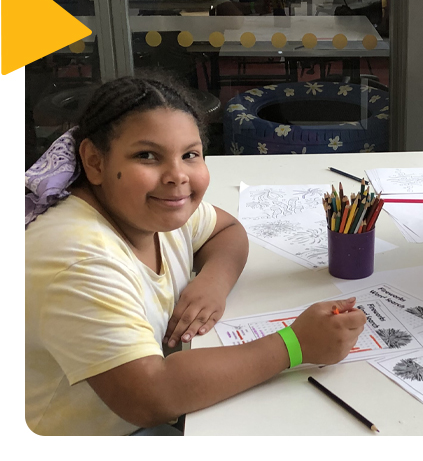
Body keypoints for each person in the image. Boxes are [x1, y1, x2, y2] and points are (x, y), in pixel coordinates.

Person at [25, 75, 367, 435]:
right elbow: (149, 395)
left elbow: (227, 229)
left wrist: (213, 281)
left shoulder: (150, 208)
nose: (177, 176)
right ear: (95, 163)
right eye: (147, 156)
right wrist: (295, 344)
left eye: (190, 155)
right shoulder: (78, 258)